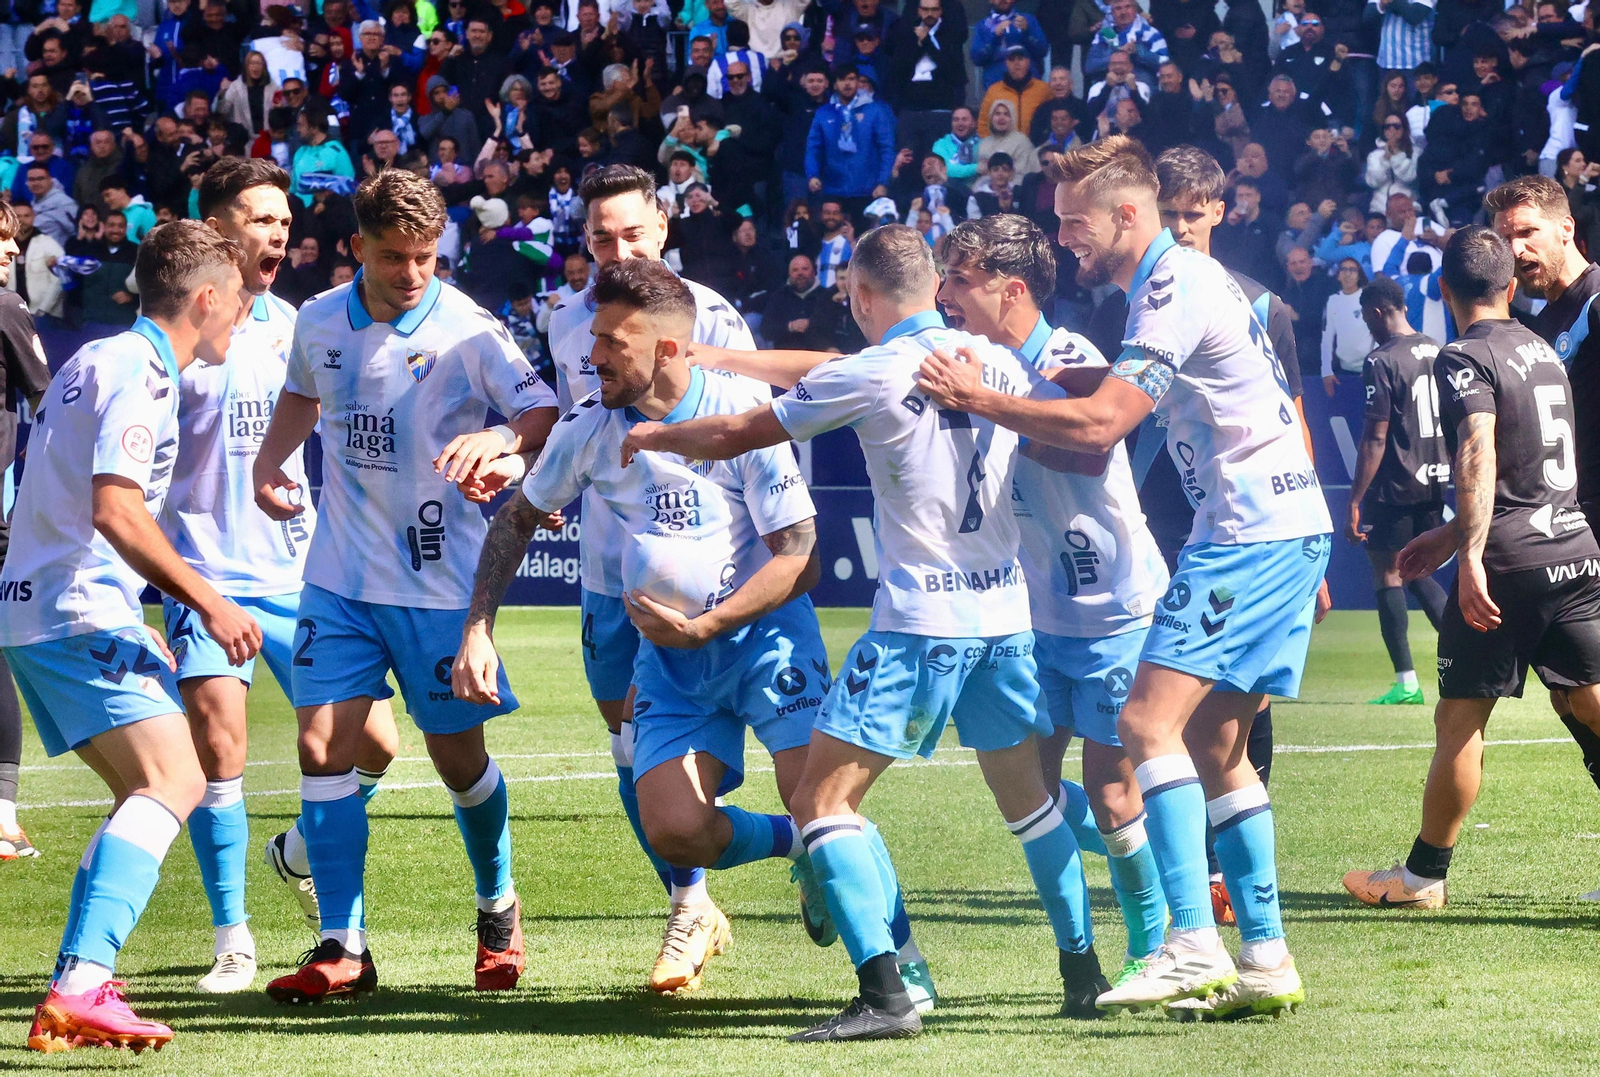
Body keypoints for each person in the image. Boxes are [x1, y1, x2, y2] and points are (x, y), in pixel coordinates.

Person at [620, 224, 1094, 1041]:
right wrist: (728, 359)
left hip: (919, 624)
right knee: (1032, 802)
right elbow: (831, 368)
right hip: (1004, 615)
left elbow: (737, 433)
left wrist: (656, 434)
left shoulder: (874, 372)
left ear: (862, 295)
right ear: (935, 286)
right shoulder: (996, 360)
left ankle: (886, 992)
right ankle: (1082, 970)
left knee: (820, 800)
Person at [915, 137, 1331, 1019]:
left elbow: (1103, 424)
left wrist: (976, 399)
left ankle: (1189, 944)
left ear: (1128, 215)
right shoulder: (1184, 282)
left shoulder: (1171, 286)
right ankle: (1265, 955)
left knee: (1146, 725)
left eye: (1075, 221)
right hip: (1282, 525)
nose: (1064, 237)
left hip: (1247, 532)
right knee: (1216, 746)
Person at [457, 257, 835, 999]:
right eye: (593, 337)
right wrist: (478, 627)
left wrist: (711, 623)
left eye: (611, 342)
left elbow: (802, 558)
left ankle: (890, 974)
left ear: (665, 349)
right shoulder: (589, 425)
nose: (593, 355)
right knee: (676, 830)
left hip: (767, 638)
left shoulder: (744, 411)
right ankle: (797, 848)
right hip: (672, 657)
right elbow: (519, 517)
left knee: (823, 806)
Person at [250, 169, 559, 1002]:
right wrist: (270, 460)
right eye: (394, 256)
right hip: (339, 577)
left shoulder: (469, 328)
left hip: (439, 584)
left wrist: (501, 439)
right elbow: (301, 395)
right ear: (358, 246)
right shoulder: (318, 319)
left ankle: (497, 903)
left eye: (426, 255)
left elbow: (542, 415)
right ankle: (342, 944)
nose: (414, 271)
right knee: (322, 747)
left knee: (459, 762)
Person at [5, 221, 254, 1054]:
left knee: (138, 792)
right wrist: (208, 602)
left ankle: (79, 983)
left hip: (43, 605)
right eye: (239, 299)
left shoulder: (94, 357)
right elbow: (115, 508)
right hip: (73, 609)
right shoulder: (143, 373)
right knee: (175, 778)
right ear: (207, 298)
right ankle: (81, 984)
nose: (243, 315)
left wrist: (127, 605)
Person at [155, 159, 401, 993]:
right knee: (219, 750)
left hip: (303, 574)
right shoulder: (174, 334)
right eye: (261, 218)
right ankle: (234, 938)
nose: (279, 233)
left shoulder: (298, 324)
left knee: (377, 743)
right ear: (215, 227)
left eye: (284, 221)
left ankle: (297, 848)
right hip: (204, 574)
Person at [933, 215, 1172, 994]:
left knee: (1110, 787)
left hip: (1114, 609)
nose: (945, 293)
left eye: (960, 278)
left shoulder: (1067, 354)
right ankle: (1157, 868)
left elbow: (1092, 444)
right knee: (1028, 785)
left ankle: (1153, 945)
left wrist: (985, 412)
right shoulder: (969, 362)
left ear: (1013, 289)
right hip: (1033, 615)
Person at [1342, 228, 1600, 909]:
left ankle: (1421, 878)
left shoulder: (1464, 354)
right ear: (1510, 286)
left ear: (1442, 289)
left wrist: (1472, 554)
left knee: (1459, 720)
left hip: (1511, 560)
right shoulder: (1544, 348)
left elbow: (1481, 453)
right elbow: (1531, 470)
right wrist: (1450, 534)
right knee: (1591, 701)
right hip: (1574, 547)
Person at [1486, 176, 1600, 867]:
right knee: (1572, 695)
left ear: (1566, 229)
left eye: (1528, 232)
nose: (1516, 249)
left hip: (1588, 536)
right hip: (1571, 536)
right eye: (1505, 238)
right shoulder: (1539, 327)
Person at [1346, 275, 1449, 705]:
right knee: (1417, 571)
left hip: (1395, 484)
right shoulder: (1438, 351)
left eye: (1365, 317)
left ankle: (1406, 683)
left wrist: (1355, 499)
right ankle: (1474, 655)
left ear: (1376, 312)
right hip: (1435, 480)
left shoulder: (1381, 359)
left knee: (1389, 572)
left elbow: (1375, 435)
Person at [0, 202, 52, 863]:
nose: (12, 251)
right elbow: (51, 403)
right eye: (0, 240)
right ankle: (3, 816)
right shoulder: (7, 308)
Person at [1320, 258, 1372, 393]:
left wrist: (1373, 366)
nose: (1347, 274)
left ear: (1359, 275)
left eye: (1352, 270)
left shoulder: (1368, 298)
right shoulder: (1333, 301)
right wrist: (1326, 370)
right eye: (1343, 269)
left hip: (1368, 370)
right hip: (1343, 370)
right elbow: (1327, 336)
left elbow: (1378, 334)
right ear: (1338, 275)